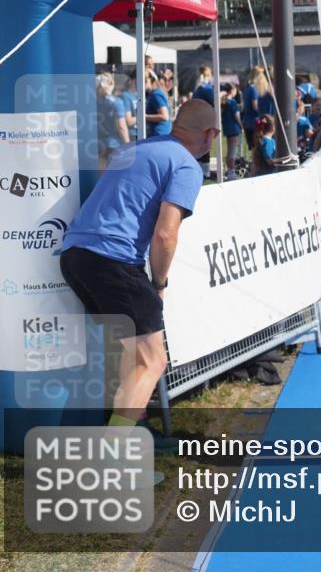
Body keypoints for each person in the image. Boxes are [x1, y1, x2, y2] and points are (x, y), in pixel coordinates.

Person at [59, 100, 218, 454]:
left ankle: (131, 435)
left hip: (75, 256)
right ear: (211, 134)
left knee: (133, 356)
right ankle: (111, 461)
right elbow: (165, 234)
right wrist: (158, 284)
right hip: (112, 261)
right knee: (152, 360)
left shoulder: (135, 147)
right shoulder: (187, 166)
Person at [97, 72, 129, 172]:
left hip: (97, 144)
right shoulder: (117, 102)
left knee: (101, 178)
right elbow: (121, 127)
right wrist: (128, 145)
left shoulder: (92, 101)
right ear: (112, 83)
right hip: (113, 145)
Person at [220, 82, 243, 180]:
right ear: (232, 91)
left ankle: (229, 171)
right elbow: (237, 116)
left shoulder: (223, 102)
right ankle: (231, 173)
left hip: (227, 129)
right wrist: (241, 126)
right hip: (234, 129)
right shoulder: (232, 102)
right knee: (233, 152)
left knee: (230, 151)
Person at [145, 70, 171, 137]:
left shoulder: (156, 95)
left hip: (159, 134)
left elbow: (165, 116)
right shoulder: (155, 93)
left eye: (145, 80)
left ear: (152, 81)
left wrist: (144, 117)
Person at [119, 70, 139, 142]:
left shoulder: (139, 95)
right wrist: (145, 117)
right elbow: (129, 121)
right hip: (132, 134)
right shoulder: (126, 96)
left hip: (141, 132)